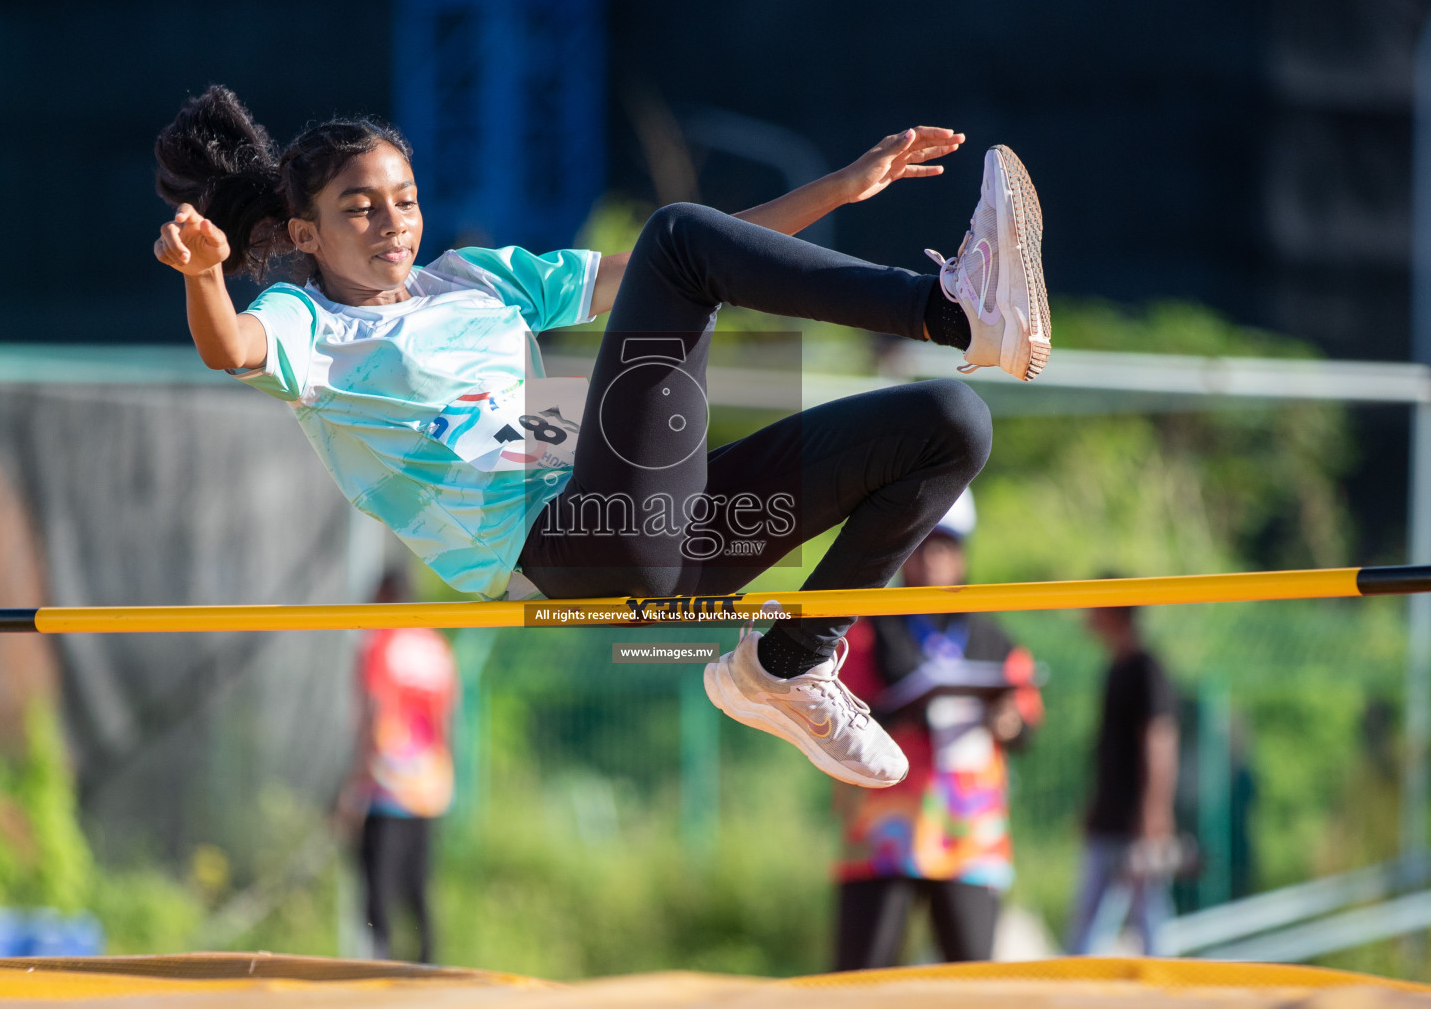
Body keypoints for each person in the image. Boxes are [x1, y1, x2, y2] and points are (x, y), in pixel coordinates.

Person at [152, 86, 1050, 790]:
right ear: (307, 231)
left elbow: (694, 259)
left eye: (405, 200)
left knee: (947, 424)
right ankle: (949, 312)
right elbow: (231, 349)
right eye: (361, 209)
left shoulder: (473, 280)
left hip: (672, 535)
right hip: (568, 544)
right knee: (676, 240)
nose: (393, 225)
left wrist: (842, 189)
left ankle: (788, 664)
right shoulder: (306, 322)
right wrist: (206, 279)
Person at [832, 490, 1043, 968]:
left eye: (944, 545)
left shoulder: (993, 635)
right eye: (920, 544)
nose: (931, 558)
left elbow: (1027, 714)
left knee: (970, 981)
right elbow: (842, 709)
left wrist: (1010, 722)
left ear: (962, 554)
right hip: (882, 834)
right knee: (858, 980)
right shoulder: (869, 628)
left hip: (969, 834)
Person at [335, 569, 459, 962]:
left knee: (377, 888)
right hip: (428, 781)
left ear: (385, 597)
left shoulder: (379, 642)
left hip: (385, 781)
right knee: (418, 884)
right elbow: (448, 721)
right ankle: (430, 965)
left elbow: (374, 713)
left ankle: (382, 971)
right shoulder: (436, 646)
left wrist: (353, 784)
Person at [1067, 602, 1179, 955]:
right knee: (1092, 917)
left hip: (1134, 820)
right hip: (1111, 815)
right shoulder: (1116, 667)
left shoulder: (1146, 668)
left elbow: (1160, 739)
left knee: (1149, 917)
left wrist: (1154, 810)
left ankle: (1164, 991)